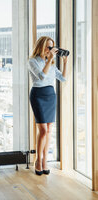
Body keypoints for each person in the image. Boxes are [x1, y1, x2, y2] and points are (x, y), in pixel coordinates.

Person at [28, 36, 68, 175]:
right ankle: (38, 160)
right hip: (38, 95)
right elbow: (41, 76)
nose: (50, 50)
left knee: (49, 129)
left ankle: (45, 161)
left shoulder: (50, 62)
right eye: (48, 47)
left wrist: (65, 62)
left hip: (51, 95)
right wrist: (50, 59)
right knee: (43, 130)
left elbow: (62, 78)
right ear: (41, 46)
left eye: (52, 47)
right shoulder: (32, 61)